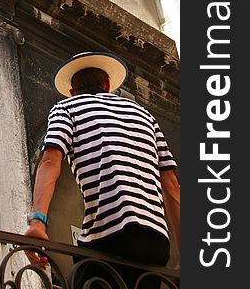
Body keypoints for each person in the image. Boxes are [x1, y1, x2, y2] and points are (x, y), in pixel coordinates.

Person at [24, 52, 180, 288]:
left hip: (110, 237)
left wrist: (37, 223)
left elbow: (50, 161)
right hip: (156, 242)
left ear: (72, 92)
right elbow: (172, 187)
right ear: (107, 86)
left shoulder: (66, 107)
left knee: (82, 278)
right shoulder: (145, 116)